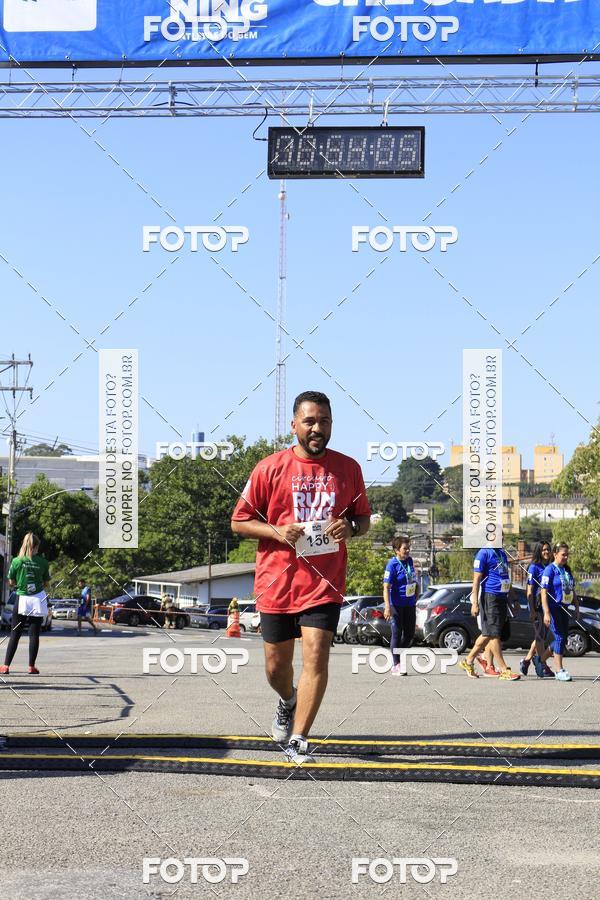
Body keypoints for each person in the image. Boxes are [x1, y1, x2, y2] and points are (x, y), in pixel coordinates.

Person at [231, 390, 371, 763]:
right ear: (294, 424)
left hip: (323, 585)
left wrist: (350, 529)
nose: (317, 428)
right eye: (309, 421)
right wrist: (277, 531)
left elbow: (363, 519)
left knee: (316, 655)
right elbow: (239, 521)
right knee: (277, 667)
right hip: (276, 583)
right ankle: (287, 699)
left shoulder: (348, 468)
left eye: (324, 421)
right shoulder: (269, 468)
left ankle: (299, 739)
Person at [459, 545, 520, 681]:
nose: (501, 539)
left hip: (502, 597)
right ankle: (504, 670)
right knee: (494, 634)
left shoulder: (502, 553)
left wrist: (514, 599)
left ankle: (468, 661)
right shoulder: (483, 553)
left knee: (488, 633)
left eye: (502, 536)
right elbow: (476, 580)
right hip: (490, 596)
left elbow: (506, 579)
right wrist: (474, 603)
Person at [0, 532, 50, 675]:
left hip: (22, 598)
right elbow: (46, 583)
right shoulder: (43, 562)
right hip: (38, 599)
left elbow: (11, 582)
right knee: (34, 634)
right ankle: (31, 666)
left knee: (15, 633)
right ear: (36, 546)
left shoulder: (17, 561)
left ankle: (5, 666)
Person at [540, 542, 580, 682]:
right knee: (559, 638)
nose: (566, 557)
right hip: (553, 609)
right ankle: (559, 670)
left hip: (565, 608)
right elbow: (543, 593)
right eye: (563, 555)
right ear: (555, 554)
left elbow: (572, 591)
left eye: (567, 555)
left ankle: (540, 660)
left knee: (562, 639)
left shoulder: (567, 570)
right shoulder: (550, 570)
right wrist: (546, 612)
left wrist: (576, 607)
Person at [383, 536, 419, 676]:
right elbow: (386, 587)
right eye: (405, 548)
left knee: (409, 634)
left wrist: (417, 594)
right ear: (397, 550)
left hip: (410, 604)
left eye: (409, 548)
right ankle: (396, 664)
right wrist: (387, 607)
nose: (408, 550)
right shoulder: (392, 565)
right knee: (397, 633)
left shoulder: (410, 561)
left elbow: (414, 580)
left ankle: (397, 655)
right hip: (396, 604)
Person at [520, 541, 554, 677]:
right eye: (543, 550)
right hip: (537, 606)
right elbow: (529, 590)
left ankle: (527, 661)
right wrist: (532, 609)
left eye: (548, 549)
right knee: (540, 637)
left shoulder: (551, 566)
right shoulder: (534, 567)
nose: (546, 552)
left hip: (548, 606)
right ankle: (543, 665)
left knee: (541, 637)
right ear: (539, 551)